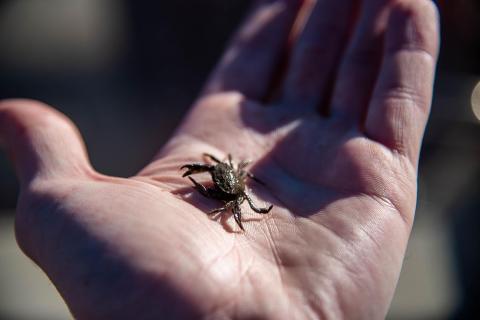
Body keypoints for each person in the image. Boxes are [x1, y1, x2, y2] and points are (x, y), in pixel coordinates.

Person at [0, 0, 439, 318]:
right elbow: (220, 182)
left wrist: (239, 202)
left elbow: (237, 195)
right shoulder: (221, 177)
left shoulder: (229, 185)